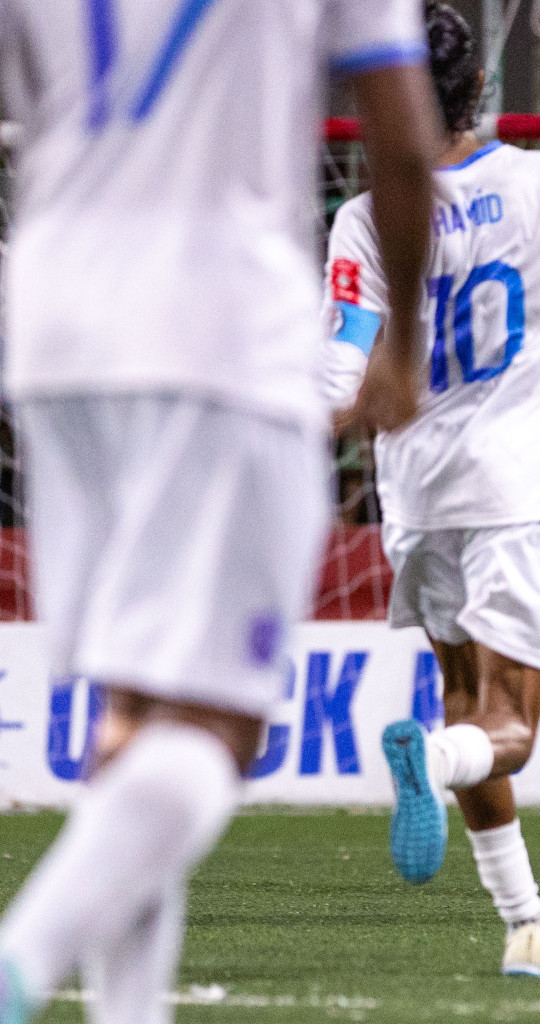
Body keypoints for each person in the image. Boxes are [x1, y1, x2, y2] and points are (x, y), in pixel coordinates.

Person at [0, 1, 437, 1021]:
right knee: (214, 731)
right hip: (216, 326)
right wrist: (403, 346)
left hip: (57, 325)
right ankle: (22, 959)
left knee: (140, 716)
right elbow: (403, 139)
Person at [323, 4, 540, 978]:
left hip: (416, 493)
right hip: (517, 488)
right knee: (503, 728)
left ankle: (527, 926)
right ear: (481, 89)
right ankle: (431, 757)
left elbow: (337, 373)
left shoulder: (366, 215)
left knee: (465, 698)